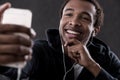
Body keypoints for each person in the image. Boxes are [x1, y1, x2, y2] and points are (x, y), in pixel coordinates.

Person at [0, 0, 120, 80]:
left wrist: (91, 65)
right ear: (60, 21)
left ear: (95, 30)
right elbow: (16, 69)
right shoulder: (40, 50)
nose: (74, 22)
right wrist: (4, 58)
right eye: (68, 14)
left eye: (84, 18)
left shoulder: (107, 58)